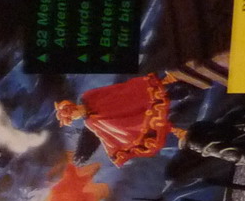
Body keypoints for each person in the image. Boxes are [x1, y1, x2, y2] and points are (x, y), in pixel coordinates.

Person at [55, 71, 187, 166]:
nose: (75, 116)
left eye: (72, 114)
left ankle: (175, 86)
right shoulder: (91, 121)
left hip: (130, 97)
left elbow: (113, 93)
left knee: (155, 98)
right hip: (129, 117)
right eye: (72, 117)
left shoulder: (88, 99)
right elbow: (105, 134)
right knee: (155, 119)